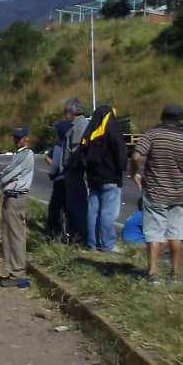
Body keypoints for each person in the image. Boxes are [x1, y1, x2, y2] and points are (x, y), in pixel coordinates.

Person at [130, 104, 183, 284]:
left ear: (162, 117)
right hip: (178, 194)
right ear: (180, 120)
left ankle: (153, 274)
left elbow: (136, 157)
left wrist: (135, 174)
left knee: (154, 234)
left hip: (155, 192)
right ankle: (175, 275)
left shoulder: (152, 135)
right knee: (176, 234)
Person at [81, 105, 128, 252]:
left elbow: (82, 154)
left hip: (93, 178)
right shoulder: (112, 130)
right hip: (110, 177)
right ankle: (108, 244)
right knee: (108, 213)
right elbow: (121, 152)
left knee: (93, 211)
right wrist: (121, 168)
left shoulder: (90, 133)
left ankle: (92, 243)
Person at [0, 126, 34, 288]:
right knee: (9, 236)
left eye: (20, 137)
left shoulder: (26, 154)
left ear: (27, 138)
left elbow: (7, 174)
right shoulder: (19, 154)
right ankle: (14, 271)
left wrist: (4, 177)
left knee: (15, 236)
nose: (17, 140)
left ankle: (17, 273)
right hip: (11, 196)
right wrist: (5, 177)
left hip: (16, 197)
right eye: (15, 137)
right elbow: (7, 175)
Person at [61, 98, 89, 243]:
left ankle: (81, 234)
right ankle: (76, 233)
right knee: (73, 204)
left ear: (72, 111)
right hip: (72, 171)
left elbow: (77, 151)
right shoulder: (75, 125)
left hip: (75, 171)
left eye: (66, 112)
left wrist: (70, 165)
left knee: (78, 204)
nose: (64, 115)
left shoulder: (80, 126)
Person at [45, 120, 72, 240]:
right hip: (72, 179)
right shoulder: (73, 141)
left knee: (55, 207)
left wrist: (51, 174)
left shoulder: (60, 145)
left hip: (60, 180)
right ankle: (70, 232)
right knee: (69, 208)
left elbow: (54, 164)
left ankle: (55, 232)